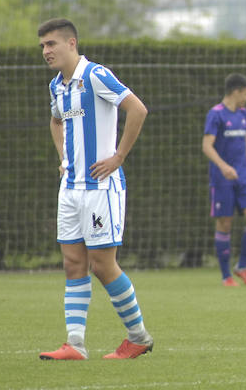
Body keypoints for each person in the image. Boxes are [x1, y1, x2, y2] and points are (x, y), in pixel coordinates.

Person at [37, 18, 153, 361]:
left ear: (71, 43)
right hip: (69, 188)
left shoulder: (96, 75)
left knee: (102, 265)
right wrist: (63, 157)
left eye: (51, 44)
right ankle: (75, 344)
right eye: (43, 46)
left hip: (101, 188)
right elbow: (56, 120)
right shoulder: (57, 86)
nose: (46, 51)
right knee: (73, 263)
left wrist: (118, 157)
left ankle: (139, 337)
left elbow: (137, 109)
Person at [202, 74, 246, 286]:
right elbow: (207, 146)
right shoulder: (216, 114)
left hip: (244, 176)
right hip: (222, 178)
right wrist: (223, 167)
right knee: (225, 223)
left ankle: (243, 266)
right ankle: (226, 276)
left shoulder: (244, 114)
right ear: (236, 91)